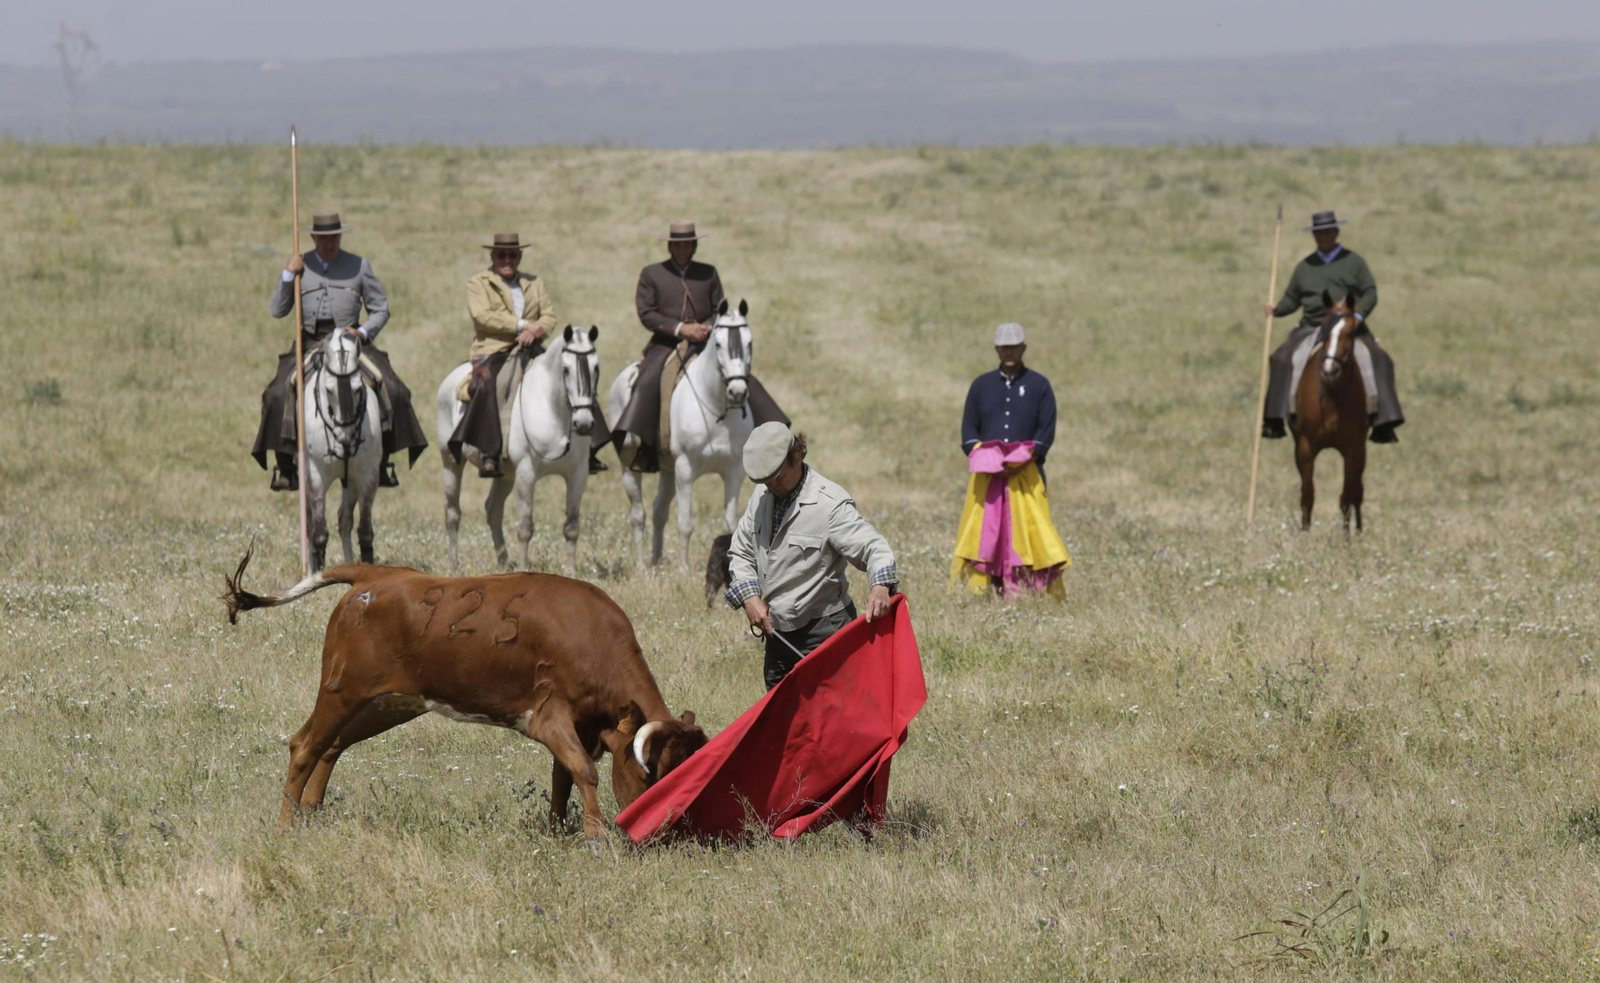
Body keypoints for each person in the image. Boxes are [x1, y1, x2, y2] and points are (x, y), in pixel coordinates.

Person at [253, 211, 428, 490]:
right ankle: (285, 467)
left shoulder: (359, 266)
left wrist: (362, 332)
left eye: (334, 237)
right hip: (310, 341)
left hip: (351, 343)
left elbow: (380, 308)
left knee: (395, 390)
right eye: (323, 238)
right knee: (275, 394)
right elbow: (277, 310)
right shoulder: (300, 265)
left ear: (340, 236)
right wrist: (288, 273)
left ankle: (382, 462)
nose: (329, 243)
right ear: (313, 237)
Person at [726, 423, 898, 690]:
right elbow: (741, 550)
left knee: (835, 721)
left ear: (797, 457)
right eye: (764, 479)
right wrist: (749, 596)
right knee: (783, 724)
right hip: (777, 635)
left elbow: (873, 548)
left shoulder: (829, 504)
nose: (771, 485)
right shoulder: (762, 494)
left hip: (824, 633)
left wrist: (880, 586)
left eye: (776, 476)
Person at [612, 221, 787, 473]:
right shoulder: (652, 274)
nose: (682, 249)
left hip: (707, 341)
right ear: (671, 246)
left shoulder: (709, 273)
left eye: (687, 244)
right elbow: (646, 313)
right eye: (678, 245)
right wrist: (681, 329)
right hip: (666, 343)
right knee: (647, 381)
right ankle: (646, 448)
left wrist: (705, 327)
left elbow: (720, 309)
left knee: (741, 375)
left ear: (694, 246)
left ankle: (772, 440)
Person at [448, 233, 609, 477]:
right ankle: (489, 452)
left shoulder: (535, 283)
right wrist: (523, 326)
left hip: (531, 347)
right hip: (492, 349)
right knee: (486, 384)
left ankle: (590, 448)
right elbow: (483, 316)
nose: (507, 259)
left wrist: (537, 330)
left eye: (512, 255)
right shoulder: (478, 282)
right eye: (502, 255)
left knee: (574, 372)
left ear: (520, 256)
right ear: (492, 256)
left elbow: (549, 315)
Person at [1261, 210, 1405, 443]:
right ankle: (1274, 420)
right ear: (1314, 235)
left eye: (1328, 231)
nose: (1324, 236)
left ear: (1337, 232)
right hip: (1312, 326)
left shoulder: (1354, 262)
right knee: (1280, 358)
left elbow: (1370, 292)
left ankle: (1384, 421)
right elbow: (1292, 299)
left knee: (1379, 358)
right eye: (1319, 233)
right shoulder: (1304, 267)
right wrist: (1277, 309)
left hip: (1350, 326)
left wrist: (1358, 316)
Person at [950, 322, 1070, 598]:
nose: (1009, 352)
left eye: (1014, 346)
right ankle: (984, 590)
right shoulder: (981, 385)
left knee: (1030, 530)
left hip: (1026, 476)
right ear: (996, 349)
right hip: (987, 479)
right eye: (1004, 347)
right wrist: (989, 461)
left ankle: (1029, 590)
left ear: (1024, 348)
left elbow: (1045, 432)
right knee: (985, 532)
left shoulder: (1039, 385)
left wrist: (1022, 460)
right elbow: (969, 432)